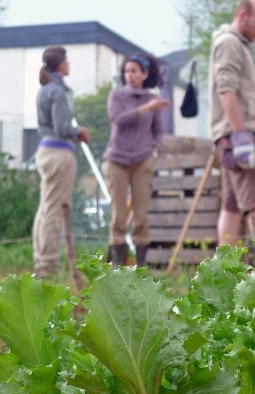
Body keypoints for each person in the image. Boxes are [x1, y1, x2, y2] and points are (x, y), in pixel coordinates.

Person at [208, 0, 255, 247]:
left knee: (232, 206)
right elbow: (226, 91)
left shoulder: (237, 44)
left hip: (230, 137)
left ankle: (225, 272)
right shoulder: (230, 43)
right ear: (242, 16)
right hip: (238, 137)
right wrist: (241, 137)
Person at [103, 53, 169, 268]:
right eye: (126, 71)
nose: (129, 75)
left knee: (141, 216)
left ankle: (141, 268)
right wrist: (145, 109)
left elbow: (158, 131)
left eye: (134, 71)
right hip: (117, 161)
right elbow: (119, 120)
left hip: (143, 161)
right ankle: (116, 268)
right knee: (118, 216)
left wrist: (153, 151)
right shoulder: (116, 96)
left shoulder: (152, 99)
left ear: (144, 74)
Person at [33, 46, 90, 278]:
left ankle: (41, 261)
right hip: (59, 154)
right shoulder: (58, 91)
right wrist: (80, 132)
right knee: (54, 210)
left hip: (45, 151)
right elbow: (62, 127)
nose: (69, 64)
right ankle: (48, 266)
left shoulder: (44, 89)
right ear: (61, 65)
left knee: (45, 208)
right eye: (67, 60)